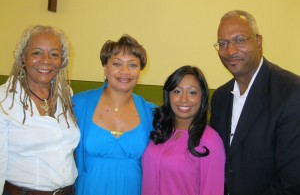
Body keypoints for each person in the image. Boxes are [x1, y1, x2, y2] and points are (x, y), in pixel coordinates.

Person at [210, 10, 300, 195]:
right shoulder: (220, 97)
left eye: (240, 40)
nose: (231, 51)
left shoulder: (291, 92)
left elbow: (292, 180)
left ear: (258, 42)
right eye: (223, 43)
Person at [0, 25, 79, 195]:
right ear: (23, 58)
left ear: (62, 60)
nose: (46, 60)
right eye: (37, 52)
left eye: (54, 54)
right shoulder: (4, 100)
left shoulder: (65, 95)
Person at [73, 34, 155, 195]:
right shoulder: (78, 104)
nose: (124, 71)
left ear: (140, 71)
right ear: (105, 67)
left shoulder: (151, 113)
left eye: (132, 65)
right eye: (117, 64)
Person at [142, 65, 225, 195]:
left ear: (202, 97)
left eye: (192, 92)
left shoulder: (210, 140)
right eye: (177, 91)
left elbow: (212, 190)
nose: (184, 99)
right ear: (168, 95)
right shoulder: (160, 129)